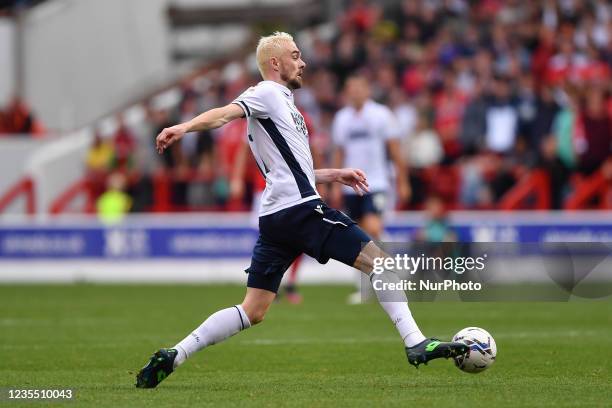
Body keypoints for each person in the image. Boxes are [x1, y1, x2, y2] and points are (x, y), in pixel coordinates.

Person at [135, 32, 467, 388]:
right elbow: (223, 115)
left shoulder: (284, 105)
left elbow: (288, 169)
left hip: (277, 216)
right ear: (275, 64)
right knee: (381, 263)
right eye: (295, 55)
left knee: (253, 310)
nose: (303, 62)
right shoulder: (265, 92)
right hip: (301, 210)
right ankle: (416, 343)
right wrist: (184, 126)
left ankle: (174, 354)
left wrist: (332, 174)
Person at [331, 75, 410, 303]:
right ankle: (364, 287)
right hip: (350, 186)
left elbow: (395, 150)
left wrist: (403, 181)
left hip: (376, 183)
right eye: (351, 88)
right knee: (356, 236)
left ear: (367, 90)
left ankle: (394, 269)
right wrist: (336, 185)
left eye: (359, 88)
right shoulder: (342, 118)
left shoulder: (381, 115)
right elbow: (339, 153)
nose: (355, 92)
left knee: (373, 227)